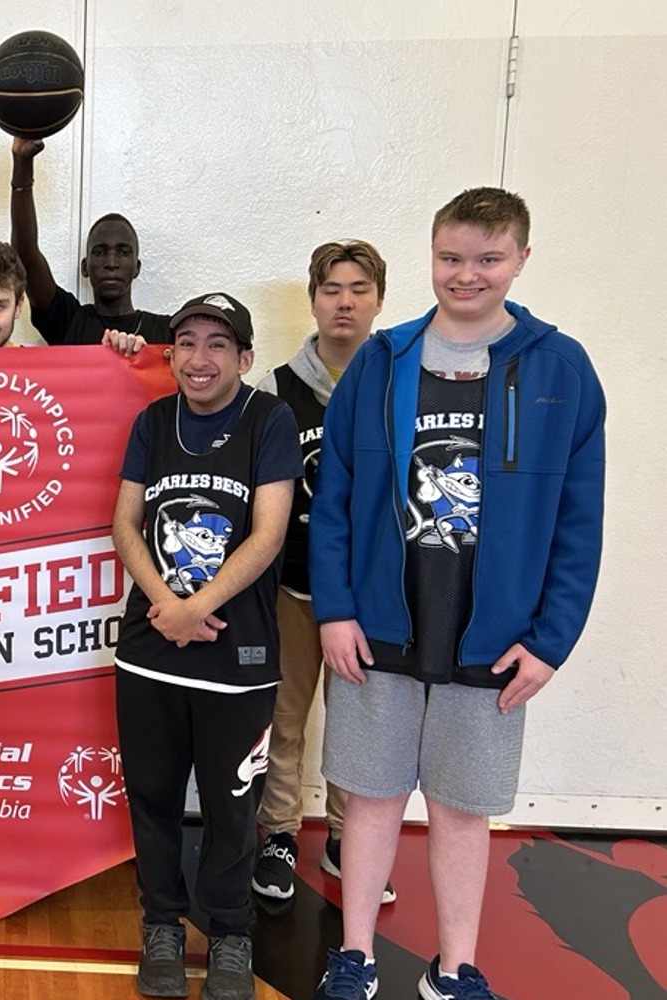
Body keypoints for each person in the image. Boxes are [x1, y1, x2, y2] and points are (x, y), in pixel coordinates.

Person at [310, 189, 606, 1000]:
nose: (465, 274)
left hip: (493, 637)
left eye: (487, 258)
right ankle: (357, 954)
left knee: (462, 811)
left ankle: (453, 967)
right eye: (450, 258)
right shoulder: (385, 359)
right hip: (379, 627)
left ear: (520, 259)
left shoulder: (560, 367)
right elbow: (333, 495)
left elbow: (581, 518)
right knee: (368, 802)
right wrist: (335, 607)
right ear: (431, 255)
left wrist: (551, 641)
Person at [112, 294, 300, 1000]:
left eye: (217, 343)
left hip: (236, 657)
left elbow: (268, 533)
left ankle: (229, 931)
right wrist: (166, 606)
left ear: (245, 357)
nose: (198, 358)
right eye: (186, 342)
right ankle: (161, 922)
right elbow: (124, 523)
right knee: (153, 797)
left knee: (232, 807)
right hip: (150, 647)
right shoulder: (153, 421)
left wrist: (196, 607)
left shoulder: (269, 420)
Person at [251, 240, 396, 905]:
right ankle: (278, 832)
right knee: (285, 719)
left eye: (358, 288)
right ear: (313, 300)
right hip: (292, 585)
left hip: (368, 596)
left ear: (378, 299)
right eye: (332, 288)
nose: (344, 301)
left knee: (358, 723)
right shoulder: (276, 392)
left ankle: (346, 837)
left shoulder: (398, 382)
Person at [9, 138, 172, 346]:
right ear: (85, 267)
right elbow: (25, 257)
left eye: (123, 252)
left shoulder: (165, 332)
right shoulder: (68, 321)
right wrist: (22, 164)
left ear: (136, 268)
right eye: (100, 252)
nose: (111, 262)